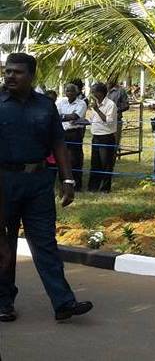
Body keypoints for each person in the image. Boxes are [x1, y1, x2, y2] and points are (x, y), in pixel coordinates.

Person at [0, 53, 92, 322]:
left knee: (45, 243)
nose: (10, 76)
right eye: (8, 71)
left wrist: (68, 179)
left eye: (17, 72)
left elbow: (58, 143)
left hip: (39, 183)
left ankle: (63, 303)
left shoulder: (45, 106)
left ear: (31, 76)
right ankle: (4, 303)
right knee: (4, 245)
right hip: (4, 182)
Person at [86, 83, 118, 193]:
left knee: (106, 163)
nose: (92, 94)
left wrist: (98, 110)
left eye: (94, 92)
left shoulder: (110, 105)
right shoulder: (94, 104)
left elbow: (109, 121)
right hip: (96, 136)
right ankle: (93, 187)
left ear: (101, 93)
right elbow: (91, 119)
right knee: (95, 163)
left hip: (106, 137)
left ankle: (105, 188)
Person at [56, 83, 88, 190]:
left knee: (75, 159)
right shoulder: (61, 101)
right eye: (67, 90)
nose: (69, 93)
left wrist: (62, 117)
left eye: (71, 91)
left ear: (76, 92)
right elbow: (55, 114)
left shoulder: (81, 103)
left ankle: (77, 185)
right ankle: (63, 182)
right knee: (62, 157)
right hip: (62, 132)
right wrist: (66, 117)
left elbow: (75, 116)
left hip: (75, 133)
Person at [107, 77, 130, 155]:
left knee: (115, 143)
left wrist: (115, 110)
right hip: (103, 121)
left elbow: (126, 105)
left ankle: (113, 157)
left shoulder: (120, 91)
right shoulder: (104, 89)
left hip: (116, 120)